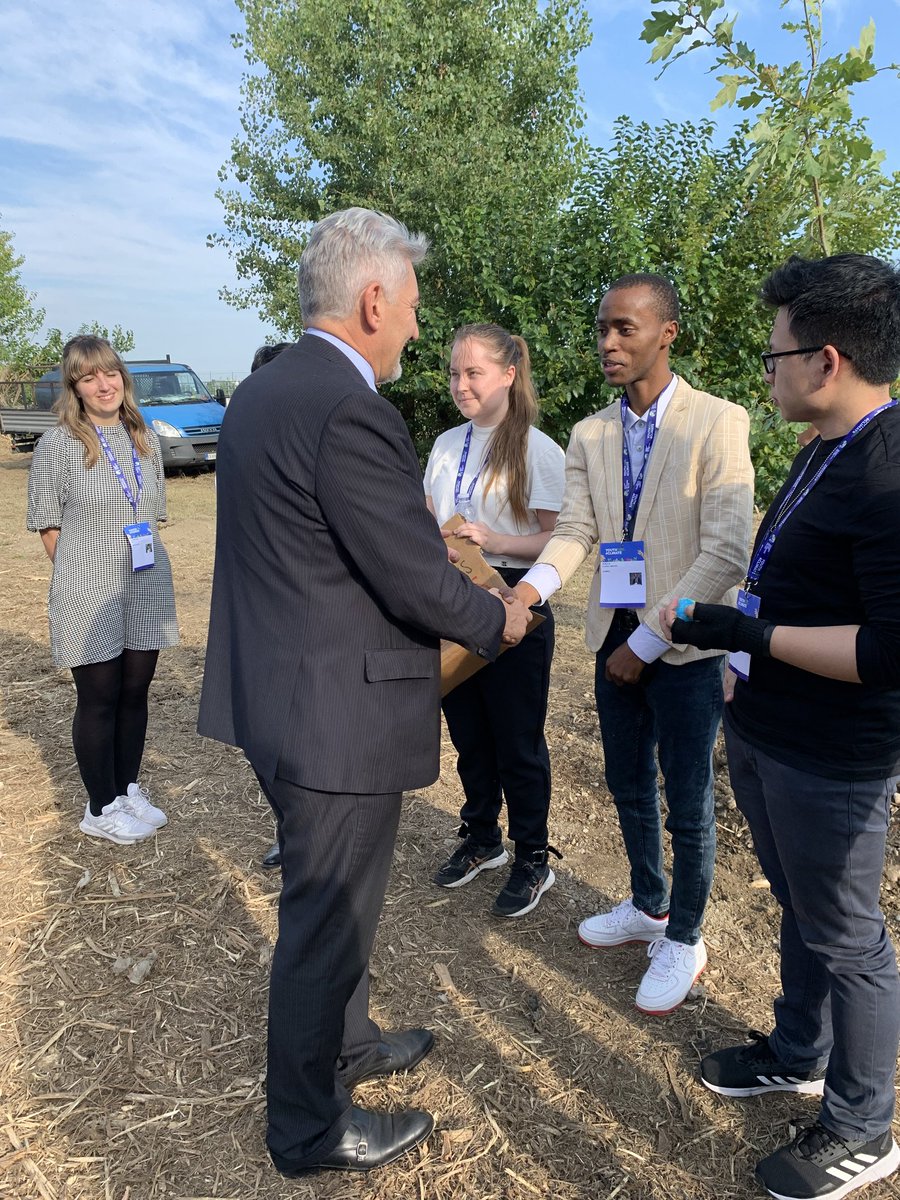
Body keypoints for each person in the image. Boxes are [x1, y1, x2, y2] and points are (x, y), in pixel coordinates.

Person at [197, 208, 530, 1177]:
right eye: (414, 308)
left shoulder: (263, 393)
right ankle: (307, 1127)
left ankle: (349, 1046)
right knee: (326, 916)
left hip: (280, 696)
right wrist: (495, 621)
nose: (419, 331)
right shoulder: (350, 410)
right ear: (374, 298)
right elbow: (412, 574)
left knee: (337, 900)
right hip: (333, 713)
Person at [663, 253, 900, 1200]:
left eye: (776, 354)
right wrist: (739, 663)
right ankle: (799, 1049)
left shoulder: (887, 473)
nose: (767, 370)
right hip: (767, 727)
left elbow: (890, 652)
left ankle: (864, 1123)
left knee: (849, 936)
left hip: (832, 757)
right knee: (800, 910)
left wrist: (748, 632)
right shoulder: (824, 450)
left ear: (827, 360)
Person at [514, 273, 754, 1014]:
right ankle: (648, 903)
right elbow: (577, 532)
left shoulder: (719, 422)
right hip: (609, 633)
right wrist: (527, 592)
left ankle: (684, 934)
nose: (608, 344)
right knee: (626, 785)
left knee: (687, 798)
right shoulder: (591, 433)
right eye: (601, 330)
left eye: (625, 328)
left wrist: (647, 642)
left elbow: (724, 553)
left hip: (680, 648)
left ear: (667, 333)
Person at [424, 324, 565, 916]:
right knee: (469, 735)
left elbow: (561, 539)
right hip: (454, 604)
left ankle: (533, 855)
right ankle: (483, 837)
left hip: (514, 605)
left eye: (473, 372)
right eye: (455, 373)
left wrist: (494, 537)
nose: (460, 384)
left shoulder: (537, 449)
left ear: (509, 374)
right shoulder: (443, 445)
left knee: (517, 740)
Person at [26, 335, 177, 844]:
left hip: (145, 582)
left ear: (122, 377)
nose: (103, 384)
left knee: (136, 692)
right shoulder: (59, 444)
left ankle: (126, 787)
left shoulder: (146, 439)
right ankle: (99, 807)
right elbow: (49, 527)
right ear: (75, 386)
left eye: (109, 372)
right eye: (89, 377)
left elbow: (152, 514)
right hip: (89, 591)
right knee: (99, 698)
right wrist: (83, 575)